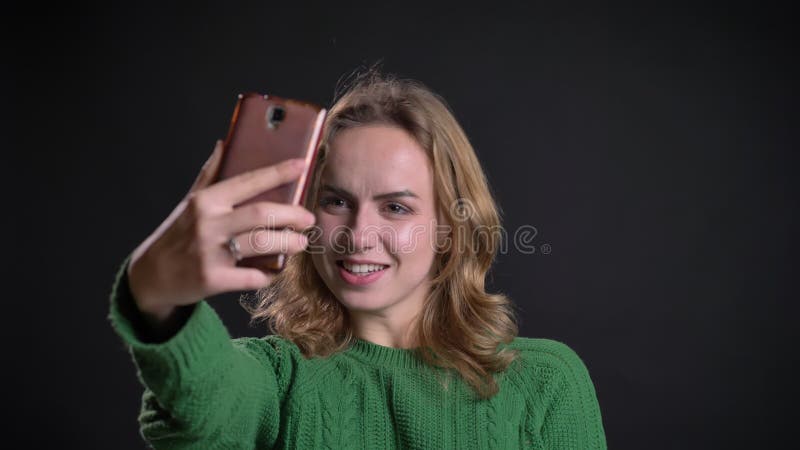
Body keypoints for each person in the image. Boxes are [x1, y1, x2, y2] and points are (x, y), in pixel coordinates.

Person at [108, 70, 607, 449]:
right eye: (336, 201)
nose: (358, 235)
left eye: (395, 207)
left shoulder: (546, 382)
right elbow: (204, 405)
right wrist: (155, 296)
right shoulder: (277, 380)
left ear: (450, 229)